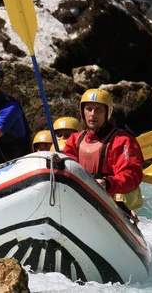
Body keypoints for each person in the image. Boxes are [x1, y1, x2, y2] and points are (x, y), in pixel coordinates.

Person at [62, 89, 143, 224]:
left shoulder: (122, 141)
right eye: (89, 109)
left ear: (108, 113)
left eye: (99, 110)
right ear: (83, 112)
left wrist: (108, 183)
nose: (93, 114)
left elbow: (131, 175)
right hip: (80, 201)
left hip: (110, 202)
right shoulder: (74, 140)